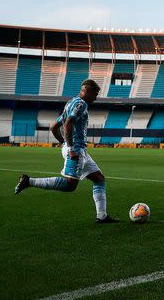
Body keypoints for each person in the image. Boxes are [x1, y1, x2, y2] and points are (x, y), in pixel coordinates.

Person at [14, 79, 117, 224]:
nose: (96, 97)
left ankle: (102, 216)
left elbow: (54, 126)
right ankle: (28, 181)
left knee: (99, 179)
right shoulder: (81, 104)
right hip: (75, 150)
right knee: (70, 185)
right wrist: (70, 148)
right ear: (87, 91)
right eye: (95, 93)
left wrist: (63, 143)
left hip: (79, 150)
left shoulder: (70, 103)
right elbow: (68, 124)